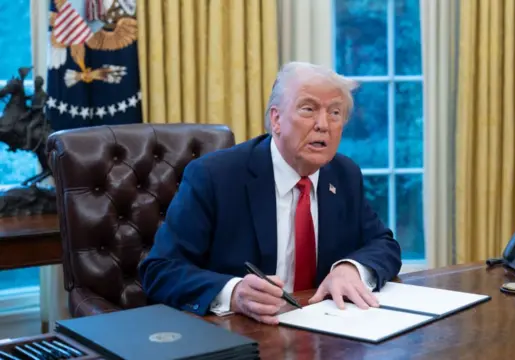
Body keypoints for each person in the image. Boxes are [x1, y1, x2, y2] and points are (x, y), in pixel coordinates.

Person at [139, 61, 402, 325]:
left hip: (326, 330)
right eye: (308, 109)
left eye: (335, 113)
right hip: (242, 334)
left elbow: (384, 244)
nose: (324, 124)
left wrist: (351, 268)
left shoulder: (344, 174)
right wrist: (233, 293)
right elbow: (160, 270)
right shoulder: (215, 176)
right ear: (276, 119)